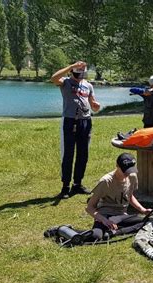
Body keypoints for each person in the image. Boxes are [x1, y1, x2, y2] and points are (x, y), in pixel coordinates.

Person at [51, 61, 101, 199]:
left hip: (85, 121)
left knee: (83, 154)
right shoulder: (66, 82)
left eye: (82, 72)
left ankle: (77, 184)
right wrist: (71, 66)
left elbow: (93, 104)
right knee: (68, 154)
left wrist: (96, 106)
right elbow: (53, 78)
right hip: (69, 120)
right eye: (77, 72)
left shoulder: (88, 85)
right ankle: (65, 186)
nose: (80, 75)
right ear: (72, 72)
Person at [86, 153, 152, 240]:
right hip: (105, 215)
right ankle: (70, 232)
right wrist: (104, 220)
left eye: (130, 170)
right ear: (117, 166)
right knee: (96, 236)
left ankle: (116, 232)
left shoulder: (132, 176)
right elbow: (89, 207)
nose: (127, 174)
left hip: (121, 216)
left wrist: (143, 210)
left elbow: (129, 195)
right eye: (125, 171)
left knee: (149, 222)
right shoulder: (106, 181)